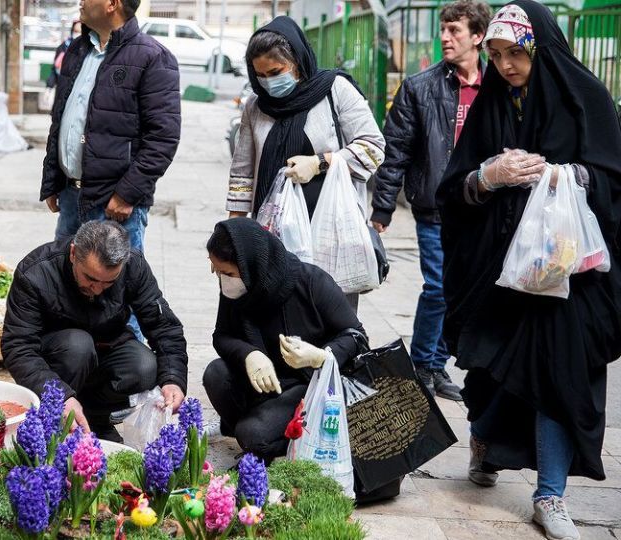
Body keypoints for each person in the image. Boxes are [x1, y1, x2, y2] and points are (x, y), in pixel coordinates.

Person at [437, 2, 621, 539]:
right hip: (502, 274)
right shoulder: (492, 104)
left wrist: (565, 176)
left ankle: (551, 495)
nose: (506, 66)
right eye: (495, 56)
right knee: (494, 370)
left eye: (516, 54)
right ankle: (487, 446)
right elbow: (454, 188)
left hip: (570, 278)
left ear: (542, 50)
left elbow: (614, 180)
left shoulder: (585, 100)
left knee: (561, 377)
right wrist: (487, 176)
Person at [370, 0, 493, 401]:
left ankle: (437, 365)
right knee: (439, 287)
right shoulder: (419, 88)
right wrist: (382, 207)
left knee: (459, 290)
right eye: (443, 29)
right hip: (435, 206)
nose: (445, 37)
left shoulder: (496, 88)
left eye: (455, 31)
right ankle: (423, 363)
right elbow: (395, 152)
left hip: (482, 208)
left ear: (478, 37)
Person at [226, 17, 384, 309]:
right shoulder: (255, 106)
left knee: (331, 315)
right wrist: (234, 230)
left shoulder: (335, 90)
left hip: (330, 231)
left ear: (297, 62)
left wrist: (321, 162)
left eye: (276, 71)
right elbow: (243, 171)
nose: (269, 82)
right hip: (273, 235)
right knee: (277, 317)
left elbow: (374, 147)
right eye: (261, 75)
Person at [1, 221, 188, 443]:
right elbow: (18, 347)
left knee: (143, 366)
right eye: (90, 278)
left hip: (107, 347)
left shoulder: (133, 266)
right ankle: (52, 424)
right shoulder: (36, 273)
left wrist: (173, 379)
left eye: (108, 282)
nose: (97, 289)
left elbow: (163, 326)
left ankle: (94, 418)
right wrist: (60, 397)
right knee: (78, 346)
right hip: (59, 359)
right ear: (73, 254)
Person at [202, 218, 369, 463]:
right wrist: (249, 354)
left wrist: (321, 355)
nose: (222, 279)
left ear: (251, 266)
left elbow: (357, 336)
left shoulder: (312, 282)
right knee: (216, 374)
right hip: (266, 381)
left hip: (307, 385)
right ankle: (253, 428)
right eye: (216, 271)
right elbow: (222, 335)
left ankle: (273, 439)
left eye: (227, 273)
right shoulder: (239, 286)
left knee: (253, 434)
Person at [41, 0, 181, 253]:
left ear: (112, 4)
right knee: (64, 283)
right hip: (71, 195)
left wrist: (127, 195)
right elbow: (60, 119)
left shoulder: (152, 57)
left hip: (114, 205)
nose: (81, 2)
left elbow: (163, 138)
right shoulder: (76, 50)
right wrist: (52, 180)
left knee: (115, 289)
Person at [47, 21, 82, 89]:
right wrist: (49, 86)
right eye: (76, 31)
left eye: (80, 32)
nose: (77, 34)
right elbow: (55, 68)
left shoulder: (86, 51)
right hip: (62, 86)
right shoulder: (63, 47)